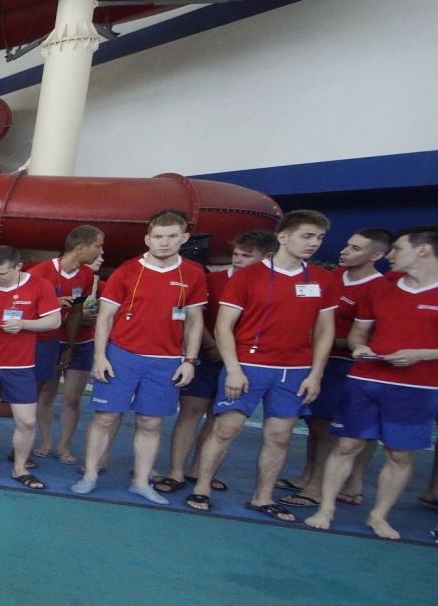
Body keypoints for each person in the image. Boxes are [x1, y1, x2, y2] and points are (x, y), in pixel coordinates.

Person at [182, 213, 335, 519]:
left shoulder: (322, 279)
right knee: (226, 428)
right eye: (307, 236)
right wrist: (234, 369)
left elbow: (324, 330)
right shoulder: (247, 277)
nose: (313, 243)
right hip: (249, 365)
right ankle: (202, 487)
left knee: (280, 435)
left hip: (294, 371)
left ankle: (262, 497)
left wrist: (316, 373)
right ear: (283, 237)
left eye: (318, 238)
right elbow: (225, 326)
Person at [305, 225, 438, 540]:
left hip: (418, 386)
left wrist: (423, 353)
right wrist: (359, 348)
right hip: (366, 378)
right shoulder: (382, 289)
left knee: (400, 453)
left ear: (423, 250)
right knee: (347, 444)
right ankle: (325, 509)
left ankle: (379, 516)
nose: (390, 256)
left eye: (398, 249)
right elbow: (358, 335)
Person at [74, 211, 208, 501]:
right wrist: (100, 356)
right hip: (122, 355)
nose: (164, 242)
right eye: (158, 237)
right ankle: (90, 474)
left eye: (172, 236)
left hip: (166, 361)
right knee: (105, 417)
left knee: (151, 422)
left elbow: (194, 321)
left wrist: (189, 361)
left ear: (184, 238)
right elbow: (106, 317)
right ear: (148, 239)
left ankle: (141, 481)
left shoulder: (194, 273)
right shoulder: (128, 270)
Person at [155, 230, 274, 495]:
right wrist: (211, 347)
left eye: (246, 256)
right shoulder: (212, 280)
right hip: (207, 357)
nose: (238, 260)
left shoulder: (270, 284)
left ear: (268, 257)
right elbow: (194, 317)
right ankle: (176, 471)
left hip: (242, 361)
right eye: (235, 254)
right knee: (190, 411)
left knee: (219, 417)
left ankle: (199, 471)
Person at [283, 227, 392, 510]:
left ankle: (318, 487)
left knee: (335, 428)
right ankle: (307, 475)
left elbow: (371, 339)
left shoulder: (380, 289)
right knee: (316, 423)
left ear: (377, 255)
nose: (344, 251)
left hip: (349, 366)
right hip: (320, 360)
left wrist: (323, 338)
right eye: (347, 245)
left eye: (355, 248)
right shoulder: (331, 277)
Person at [0, 247, 63, 489]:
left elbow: (54, 321)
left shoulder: (39, 285)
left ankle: (20, 468)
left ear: (18, 267)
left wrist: (24, 324)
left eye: (1, 274)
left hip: (20, 364)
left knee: (26, 420)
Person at [28, 226, 103, 463]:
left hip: (77, 340)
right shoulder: (40, 272)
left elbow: (77, 311)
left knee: (72, 397)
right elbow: (27, 309)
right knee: (46, 392)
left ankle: (64, 446)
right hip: (48, 339)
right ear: (80, 248)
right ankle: (46, 442)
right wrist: (53, 302)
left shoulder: (87, 275)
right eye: (98, 245)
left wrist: (71, 345)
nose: (101, 251)